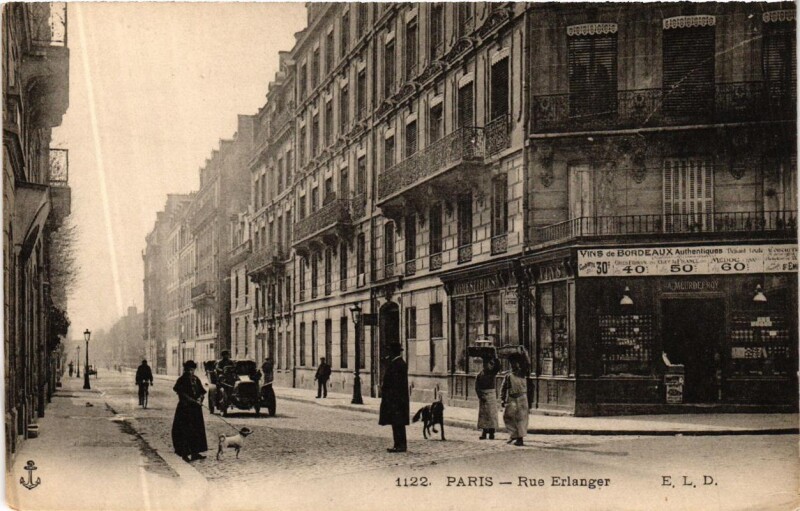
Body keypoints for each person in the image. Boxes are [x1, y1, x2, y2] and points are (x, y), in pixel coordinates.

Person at [171, 360, 208, 462]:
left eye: (192, 370)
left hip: (196, 410)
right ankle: (184, 453)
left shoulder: (196, 379)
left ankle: (195, 453)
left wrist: (200, 399)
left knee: (196, 430)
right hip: (185, 409)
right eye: (189, 370)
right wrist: (192, 401)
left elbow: (202, 392)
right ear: (185, 369)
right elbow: (181, 393)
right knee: (185, 431)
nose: (191, 372)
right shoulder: (181, 380)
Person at [379, 342, 409, 453]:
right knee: (396, 422)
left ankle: (400, 445)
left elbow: (396, 384)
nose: (388, 353)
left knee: (398, 423)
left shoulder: (398, 364)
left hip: (396, 400)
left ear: (393, 352)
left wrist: (390, 396)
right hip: (396, 399)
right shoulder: (396, 363)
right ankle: (398, 444)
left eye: (389, 351)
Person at [501, 354, 529, 447]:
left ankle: (520, 439)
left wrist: (525, 353)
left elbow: (528, 363)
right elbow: (503, 388)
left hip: (521, 398)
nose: (514, 365)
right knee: (508, 416)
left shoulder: (523, 373)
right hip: (511, 398)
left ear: (519, 364)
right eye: (512, 363)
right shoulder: (508, 376)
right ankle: (513, 435)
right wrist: (502, 399)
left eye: (515, 363)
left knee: (521, 418)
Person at [475, 357, 500, 440]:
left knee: (492, 415)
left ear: (490, 365)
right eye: (484, 364)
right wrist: (480, 396)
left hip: (491, 395)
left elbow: (498, 367)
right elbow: (477, 387)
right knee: (484, 416)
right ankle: (484, 432)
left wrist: (495, 357)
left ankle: (492, 433)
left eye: (488, 364)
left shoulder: (492, 373)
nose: (486, 366)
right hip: (483, 396)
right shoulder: (479, 375)